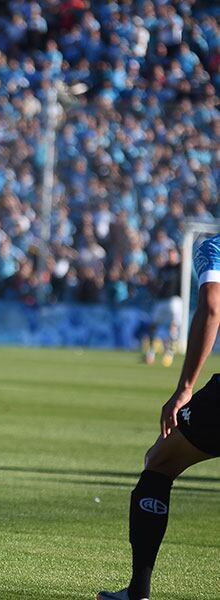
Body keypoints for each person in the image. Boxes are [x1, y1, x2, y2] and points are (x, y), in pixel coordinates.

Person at [97, 233, 220, 600]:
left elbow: (212, 306)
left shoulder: (214, 246)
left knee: (160, 462)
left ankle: (139, 592)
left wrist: (185, 387)